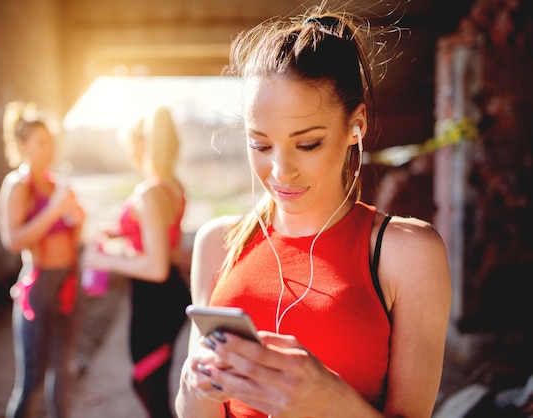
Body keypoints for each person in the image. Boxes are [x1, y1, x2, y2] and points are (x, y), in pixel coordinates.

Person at [175, 4, 452, 418]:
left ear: (354, 127)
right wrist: (195, 388)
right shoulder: (218, 243)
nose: (281, 171)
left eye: (308, 144)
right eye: (261, 145)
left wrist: (330, 402)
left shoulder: (408, 253)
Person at [82, 105, 191, 418]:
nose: (130, 155)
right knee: (151, 384)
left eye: (130, 147)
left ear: (142, 146)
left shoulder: (149, 192)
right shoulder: (173, 187)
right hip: (166, 296)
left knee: (148, 385)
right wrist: (126, 237)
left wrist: (104, 259)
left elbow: (156, 268)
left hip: (154, 299)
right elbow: (166, 252)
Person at [0, 101, 85, 418]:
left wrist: (76, 219)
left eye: (51, 141)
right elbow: (12, 240)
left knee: (63, 372)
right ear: (22, 146)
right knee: (32, 379)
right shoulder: (18, 186)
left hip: (69, 281)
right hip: (39, 286)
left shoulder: (57, 184)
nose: (49, 149)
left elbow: (73, 235)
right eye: (40, 142)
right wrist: (54, 212)